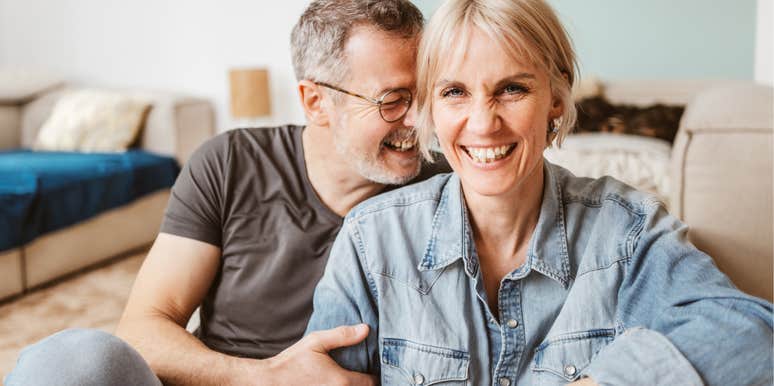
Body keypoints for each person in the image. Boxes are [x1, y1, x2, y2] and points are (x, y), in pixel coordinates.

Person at [305, 0, 774, 385]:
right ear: (429, 107)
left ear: (555, 96)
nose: (484, 124)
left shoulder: (626, 231)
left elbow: (753, 338)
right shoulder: (372, 241)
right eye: (454, 92)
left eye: (511, 89)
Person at [5, 1, 449, 385]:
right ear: (315, 102)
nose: (418, 119)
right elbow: (143, 329)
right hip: (222, 379)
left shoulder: (448, 185)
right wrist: (265, 378)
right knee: (71, 359)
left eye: (426, 94)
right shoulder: (231, 162)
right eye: (393, 99)